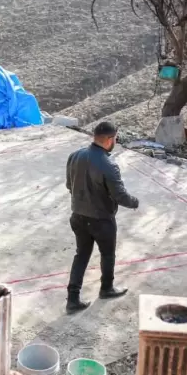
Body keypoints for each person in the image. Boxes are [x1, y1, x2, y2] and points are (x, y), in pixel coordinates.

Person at [65, 121, 138, 313]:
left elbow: (68, 185)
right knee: (107, 254)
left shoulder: (75, 156)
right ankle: (106, 288)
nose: (116, 142)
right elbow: (120, 196)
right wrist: (134, 202)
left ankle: (72, 299)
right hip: (101, 220)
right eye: (115, 139)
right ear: (108, 140)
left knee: (81, 255)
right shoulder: (108, 164)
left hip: (78, 216)